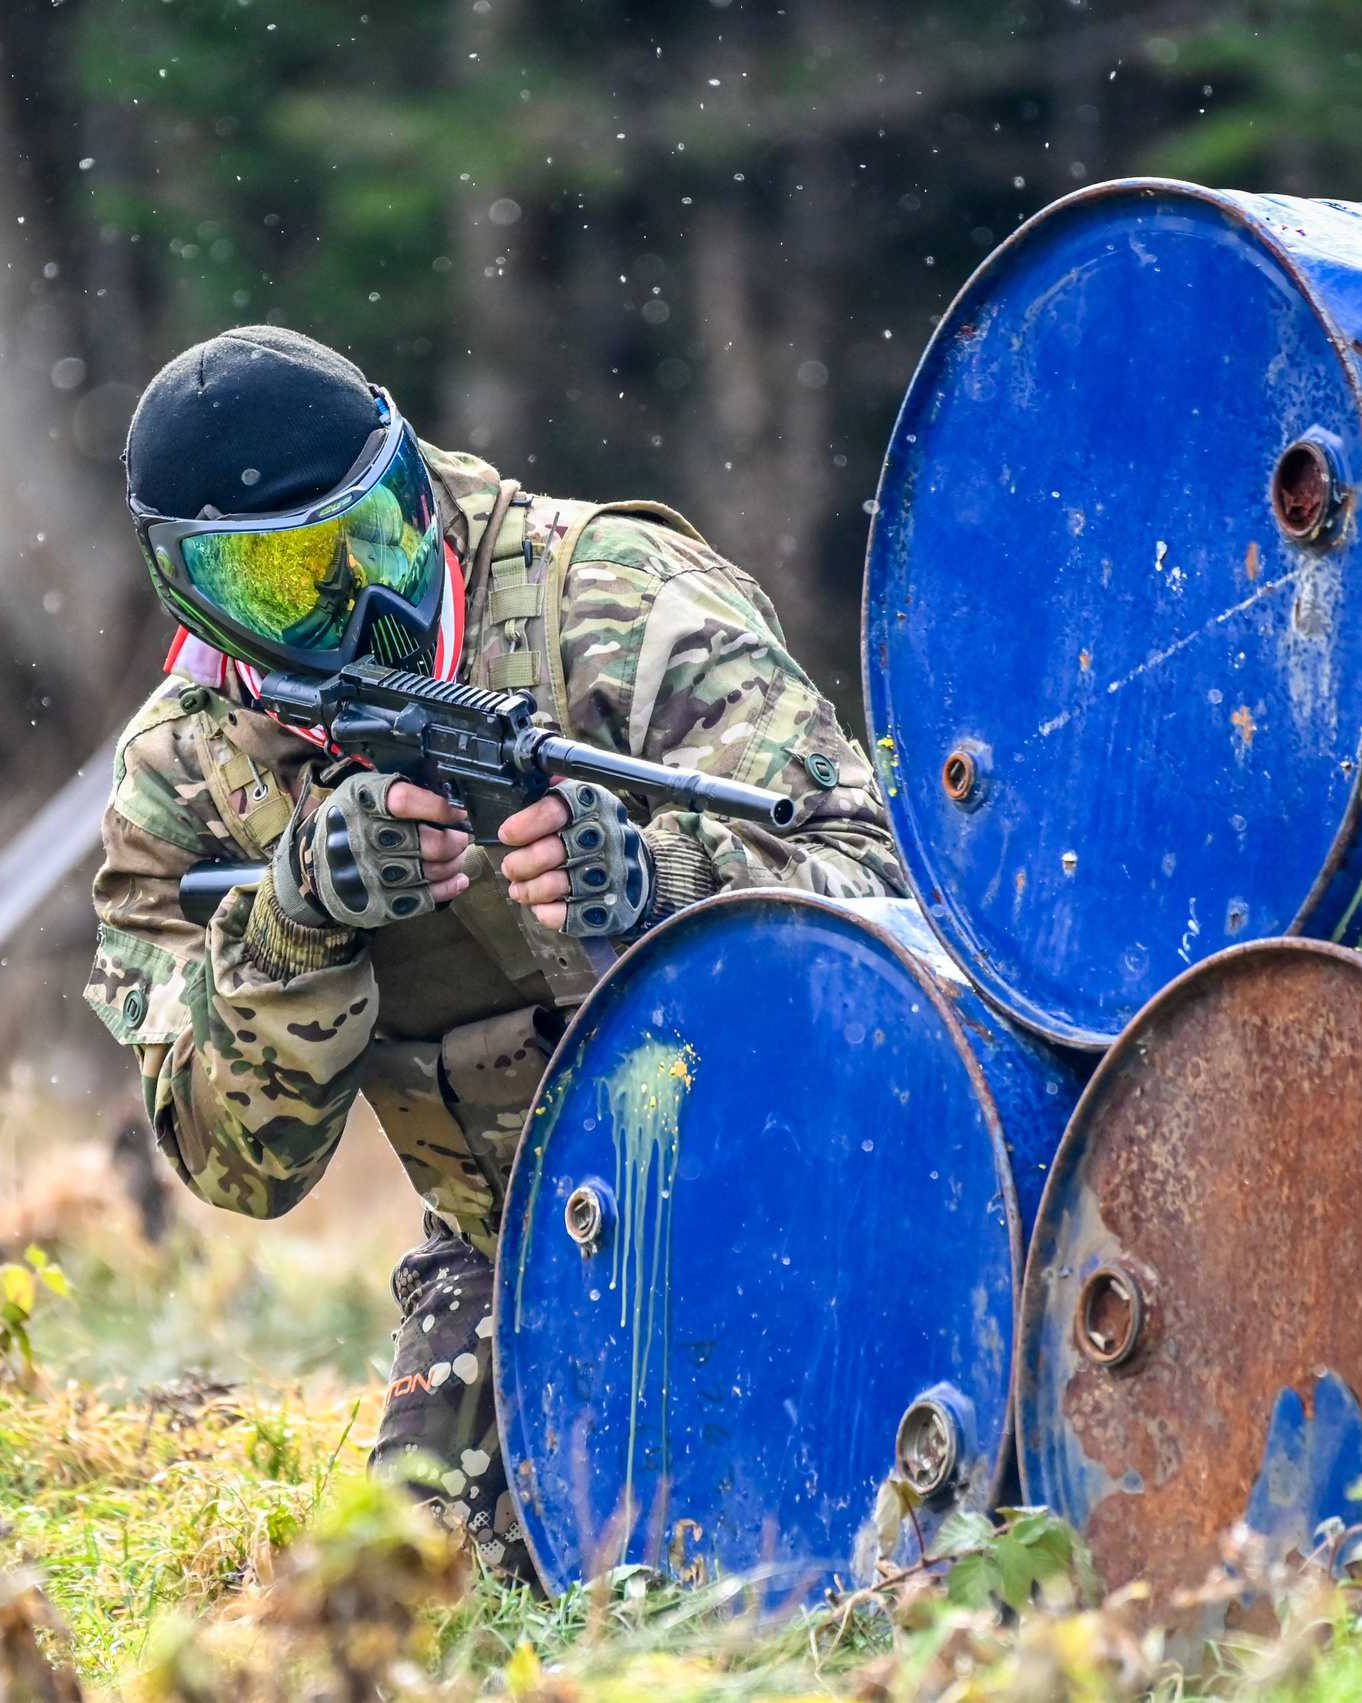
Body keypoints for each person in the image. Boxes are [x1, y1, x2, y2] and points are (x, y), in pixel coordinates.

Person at [85, 325, 906, 1578]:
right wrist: (295, 924)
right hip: (527, 1240)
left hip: (825, 1171)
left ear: (412, 473)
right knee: (417, 1586)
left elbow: (891, 888)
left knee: (903, 1528)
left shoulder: (619, 601)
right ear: (191, 592)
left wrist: (661, 882)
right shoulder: (185, 775)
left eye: (374, 539)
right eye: (286, 585)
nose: (359, 605)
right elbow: (234, 1166)